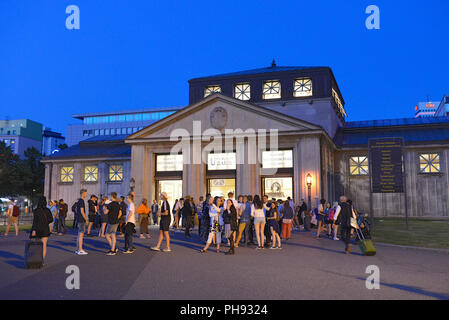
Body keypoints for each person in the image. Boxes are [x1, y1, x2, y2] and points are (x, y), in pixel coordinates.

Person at [30, 196, 52, 262]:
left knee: (37, 245)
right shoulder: (48, 210)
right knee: (44, 245)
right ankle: (42, 261)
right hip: (45, 229)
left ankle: (36, 258)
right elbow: (51, 220)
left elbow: (35, 221)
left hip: (37, 229)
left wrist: (33, 230)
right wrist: (48, 225)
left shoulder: (36, 210)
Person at [75, 189, 89, 255]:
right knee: (81, 235)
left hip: (79, 219)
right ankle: (80, 249)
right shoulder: (81, 201)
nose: (86, 194)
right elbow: (82, 211)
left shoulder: (79, 201)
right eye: (86, 193)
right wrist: (86, 219)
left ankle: (78, 249)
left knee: (79, 234)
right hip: (81, 220)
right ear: (83, 193)